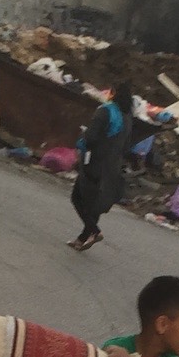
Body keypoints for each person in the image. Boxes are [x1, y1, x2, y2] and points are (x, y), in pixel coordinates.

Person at [68, 81, 136, 250]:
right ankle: (82, 238)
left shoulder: (105, 111)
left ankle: (94, 231)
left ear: (112, 93)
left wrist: (81, 140)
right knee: (95, 203)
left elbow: (91, 138)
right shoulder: (128, 118)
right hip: (112, 167)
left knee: (77, 198)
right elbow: (127, 146)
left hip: (94, 164)